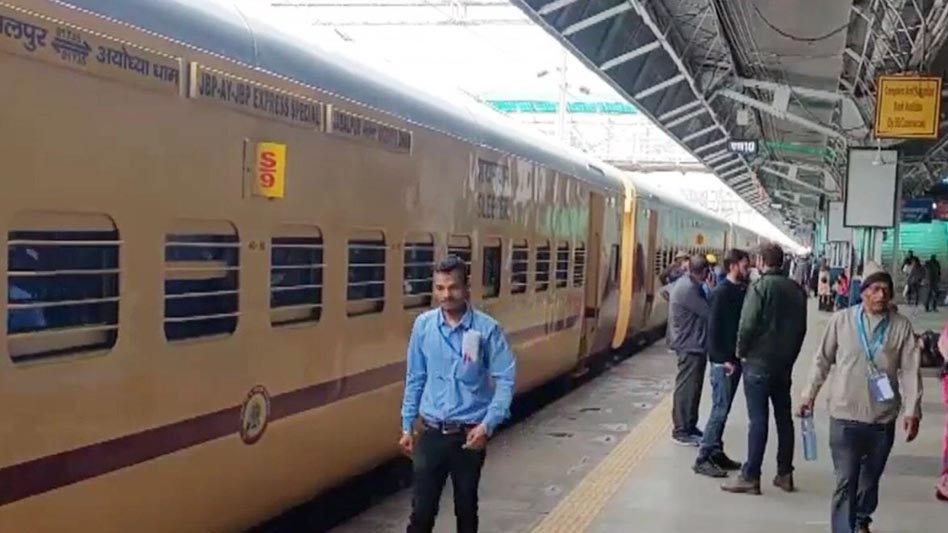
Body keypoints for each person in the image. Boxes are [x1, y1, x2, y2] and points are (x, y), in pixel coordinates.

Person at [799, 262, 922, 533]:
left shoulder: (901, 327)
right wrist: (809, 394)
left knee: (869, 480)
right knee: (846, 480)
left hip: (881, 418)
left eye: (886, 290)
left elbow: (910, 371)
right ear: (863, 292)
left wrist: (912, 410)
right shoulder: (841, 321)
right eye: (875, 289)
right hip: (844, 416)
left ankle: (861, 519)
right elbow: (822, 360)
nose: (881, 295)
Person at [399, 255, 517, 533]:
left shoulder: (487, 329)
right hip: (431, 432)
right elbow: (415, 377)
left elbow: (506, 379)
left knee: (466, 510)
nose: (446, 295)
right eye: (440, 288)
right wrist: (406, 425)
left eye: (452, 287)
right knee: (421, 512)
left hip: (469, 435)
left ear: (466, 288)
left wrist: (487, 425)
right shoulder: (423, 326)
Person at [722, 243, 807, 495]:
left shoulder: (760, 288)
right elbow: (801, 329)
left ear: (761, 261)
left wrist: (740, 352)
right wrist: (791, 356)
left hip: (759, 362)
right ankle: (785, 473)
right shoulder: (796, 290)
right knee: (783, 418)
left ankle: (751, 476)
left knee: (758, 420)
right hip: (783, 364)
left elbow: (748, 324)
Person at [693, 248, 749, 477]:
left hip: (733, 361)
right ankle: (703, 456)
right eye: (745, 265)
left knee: (723, 410)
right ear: (733, 266)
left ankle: (716, 452)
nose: (748, 269)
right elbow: (714, 331)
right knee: (719, 409)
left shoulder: (739, 290)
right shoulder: (721, 293)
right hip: (723, 363)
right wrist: (721, 359)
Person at [668, 255, 711, 446]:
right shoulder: (688, 289)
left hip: (694, 344)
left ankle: (690, 426)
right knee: (686, 389)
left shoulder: (689, 284)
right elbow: (709, 312)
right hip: (689, 345)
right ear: (705, 271)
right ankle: (681, 430)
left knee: (693, 389)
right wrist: (711, 288)